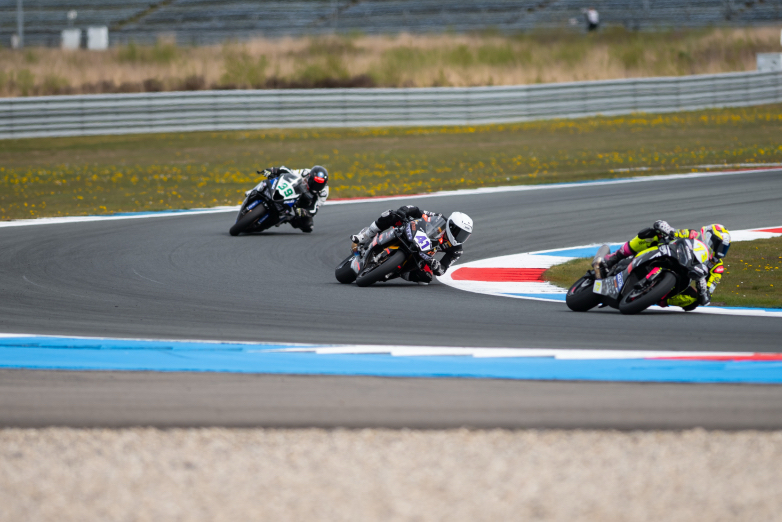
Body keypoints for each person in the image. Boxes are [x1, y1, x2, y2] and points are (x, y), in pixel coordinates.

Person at [602, 220, 731, 310]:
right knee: (651, 234)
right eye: (719, 245)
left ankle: (657, 297)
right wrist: (666, 228)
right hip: (666, 254)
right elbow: (673, 231)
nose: (720, 251)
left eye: (724, 248)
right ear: (708, 237)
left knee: (693, 300)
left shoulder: (717, 267)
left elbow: (706, 298)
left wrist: (702, 286)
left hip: (681, 278)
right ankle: (615, 257)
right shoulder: (692, 234)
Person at [351, 205, 473, 285]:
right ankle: (365, 235)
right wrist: (405, 210)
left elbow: (443, 269)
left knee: (426, 278)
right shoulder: (439, 218)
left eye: (464, 235)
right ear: (451, 225)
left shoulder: (456, 250)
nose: (460, 237)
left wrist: (437, 266)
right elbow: (417, 211)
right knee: (392, 215)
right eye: (459, 232)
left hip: (425, 253)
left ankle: (399, 271)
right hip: (414, 233)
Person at [258, 165, 329, 233]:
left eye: (320, 183)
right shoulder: (305, 172)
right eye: (316, 182)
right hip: (294, 189)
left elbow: (315, 207)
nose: (317, 185)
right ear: (311, 177)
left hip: (302, 202)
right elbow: (291, 172)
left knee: (308, 226)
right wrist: (274, 170)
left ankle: (287, 218)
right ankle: (260, 190)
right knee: (273, 177)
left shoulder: (324, 192)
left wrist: (306, 212)